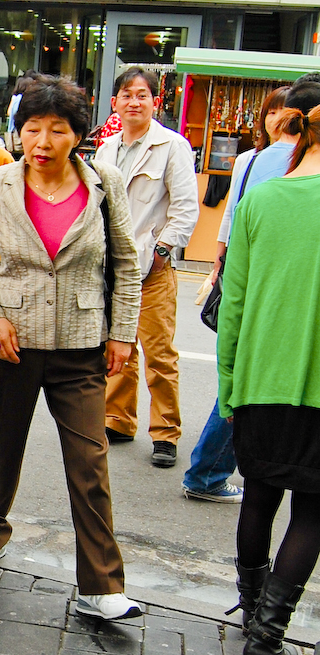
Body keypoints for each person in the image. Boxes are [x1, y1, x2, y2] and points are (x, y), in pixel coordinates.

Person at [0, 75, 143, 622]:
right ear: (17, 130)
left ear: (77, 135)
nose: (42, 141)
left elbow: (126, 262)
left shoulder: (104, 182)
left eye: (57, 130)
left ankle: (101, 584)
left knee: (90, 462)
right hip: (13, 345)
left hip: (81, 344)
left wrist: (121, 332)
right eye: (32, 129)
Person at [218, 80, 320, 655]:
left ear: (292, 128)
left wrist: (230, 380)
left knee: (258, 497)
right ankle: (267, 637)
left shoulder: (259, 200)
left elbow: (233, 303)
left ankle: (253, 615)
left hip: (259, 378)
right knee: (313, 512)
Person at [183, 84, 293, 504]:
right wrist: (218, 264)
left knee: (240, 375)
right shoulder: (256, 160)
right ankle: (208, 470)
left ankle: (210, 468)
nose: (278, 119)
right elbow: (233, 217)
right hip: (259, 281)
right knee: (243, 378)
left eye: (284, 112)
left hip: (249, 277)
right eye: (273, 111)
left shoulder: (256, 160)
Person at [102, 65, 199, 467]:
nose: (134, 102)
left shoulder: (172, 146)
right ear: (115, 104)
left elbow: (185, 209)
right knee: (118, 351)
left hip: (152, 269)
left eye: (142, 95)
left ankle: (166, 433)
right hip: (112, 269)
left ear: (154, 102)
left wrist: (162, 253)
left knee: (160, 354)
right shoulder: (106, 150)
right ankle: (119, 420)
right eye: (127, 95)